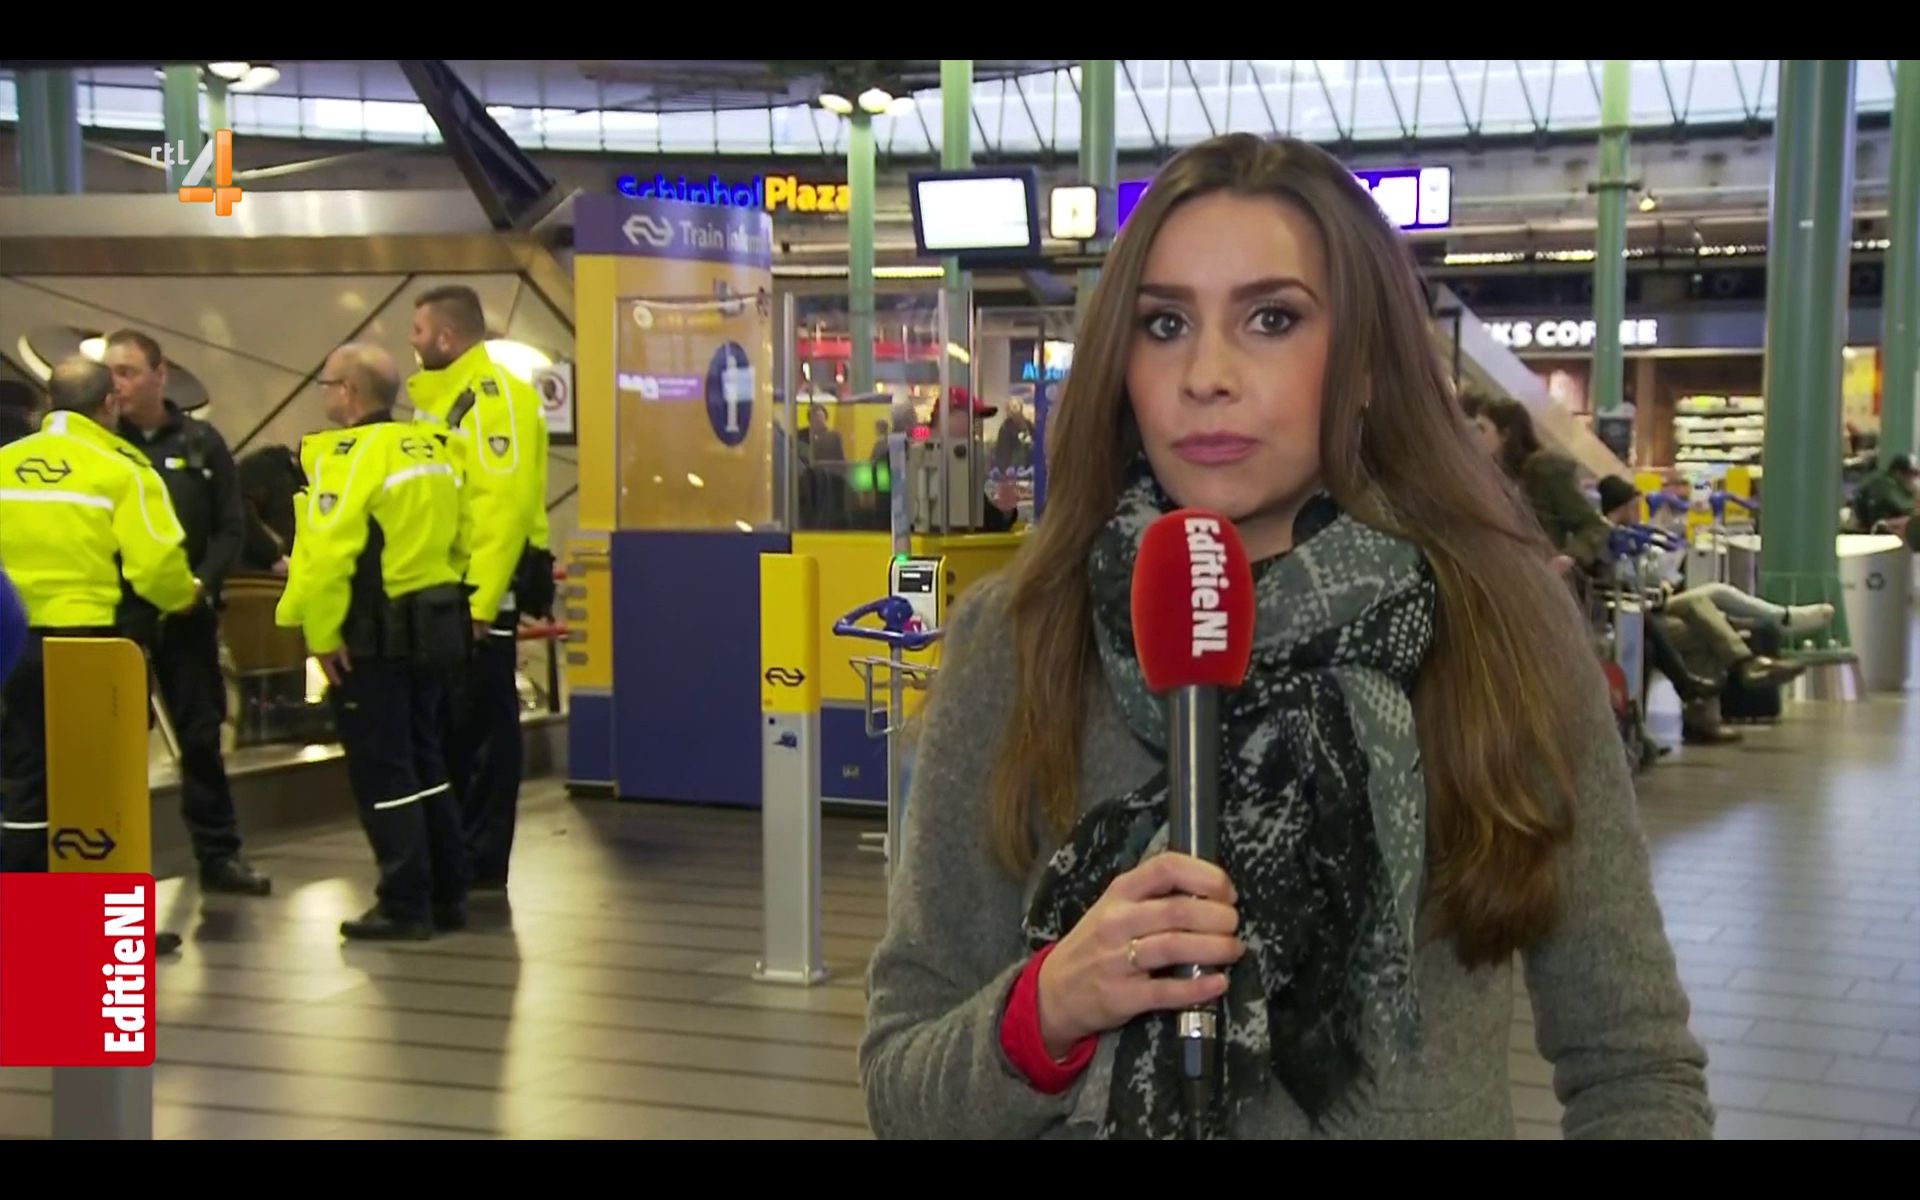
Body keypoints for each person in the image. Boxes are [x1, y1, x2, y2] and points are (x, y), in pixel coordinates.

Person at [858, 134, 1713, 1140]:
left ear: (1366, 362)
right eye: (1165, 324)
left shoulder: (1497, 632)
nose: (1207, 375)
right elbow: (902, 1082)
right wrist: (1045, 1010)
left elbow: (1635, 1068)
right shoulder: (1020, 639)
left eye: (1272, 319)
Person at [0, 358, 201, 954]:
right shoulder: (122, 468)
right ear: (109, 403)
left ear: (47, 401)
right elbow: (157, 566)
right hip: (88, 648)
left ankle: (23, 920)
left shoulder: (5, 462)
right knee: (99, 791)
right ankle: (106, 930)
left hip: (12, 645)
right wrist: (183, 597)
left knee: (25, 779)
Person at [278, 343, 472, 940]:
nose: (324, 393)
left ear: (349, 392)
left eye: (327, 383)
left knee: (383, 772)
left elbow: (328, 558)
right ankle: (447, 893)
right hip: (434, 628)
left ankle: (404, 902)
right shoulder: (432, 449)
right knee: (428, 760)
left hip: (373, 638)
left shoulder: (351, 458)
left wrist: (322, 633)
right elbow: (464, 535)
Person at [105, 329, 271, 897]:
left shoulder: (202, 443)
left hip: (188, 616)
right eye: (111, 374)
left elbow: (231, 526)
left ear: (160, 374)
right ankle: (123, 871)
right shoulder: (106, 447)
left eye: (128, 372)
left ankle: (220, 855)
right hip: (121, 619)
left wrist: (203, 583)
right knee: (119, 747)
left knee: (200, 738)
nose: (118, 385)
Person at [404, 286, 551, 893]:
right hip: (446, 587)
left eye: (418, 330)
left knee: (484, 725)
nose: (411, 341)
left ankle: (481, 857)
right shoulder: (441, 401)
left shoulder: (492, 398)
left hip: (478, 591)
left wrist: (481, 602)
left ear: (447, 337)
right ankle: (458, 851)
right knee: (454, 725)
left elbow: (500, 507)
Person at [1468, 395, 1614, 571]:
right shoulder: (1493, 475)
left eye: (1482, 429)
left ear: (1505, 435)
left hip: (1542, 576)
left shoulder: (1544, 470)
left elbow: (1594, 526)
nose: (1476, 438)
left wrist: (1569, 557)